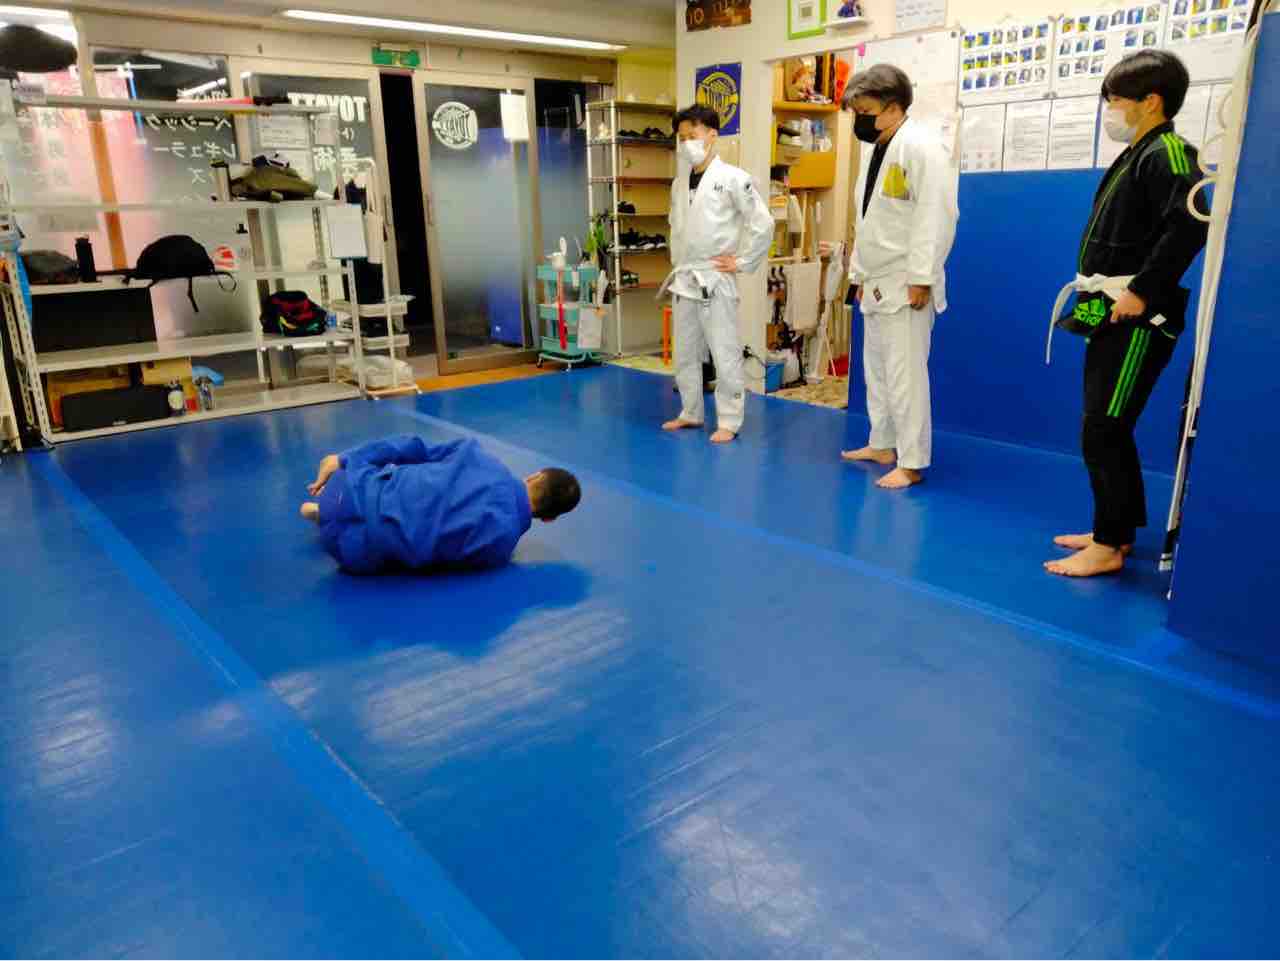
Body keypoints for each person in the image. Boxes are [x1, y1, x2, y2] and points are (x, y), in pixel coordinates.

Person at [1046, 51, 1207, 577]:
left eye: (1116, 100)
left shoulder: (1170, 153)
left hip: (1139, 312)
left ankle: (1109, 545)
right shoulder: (1138, 152)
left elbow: (1190, 224)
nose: (1110, 110)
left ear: (1151, 101)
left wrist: (1141, 291)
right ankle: (1113, 531)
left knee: (1106, 425)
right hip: (1107, 304)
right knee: (1101, 423)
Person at [839, 64, 959, 488]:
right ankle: (882, 443)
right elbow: (869, 222)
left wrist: (922, 277)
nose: (859, 119)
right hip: (875, 279)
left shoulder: (924, 148)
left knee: (906, 377)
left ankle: (912, 461)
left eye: (865, 111)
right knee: (877, 372)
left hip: (907, 281)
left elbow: (936, 217)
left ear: (893, 108)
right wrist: (857, 275)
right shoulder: (876, 150)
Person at [300, 434, 581, 574]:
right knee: (411, 537)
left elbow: (412, 446)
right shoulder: (499, 550)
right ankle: (328, 519)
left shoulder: (478, 456)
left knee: (408, 474)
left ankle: (327, 509)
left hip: (346, 486)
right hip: (350, 553)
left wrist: (344, 459)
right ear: (549, 519)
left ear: (534, 476)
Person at [660, 104, 774, 444]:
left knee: (723, 351)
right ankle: (690, 411)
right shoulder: (679, 184)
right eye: (681, 138)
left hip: (715, 276)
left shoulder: (734, 179)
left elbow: (763, 223)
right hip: (685, 276)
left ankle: (729, 419)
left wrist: (742, 262)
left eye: (692, 136)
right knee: (685, 352)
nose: (686, 144)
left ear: (712, 135)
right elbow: (677, 229)